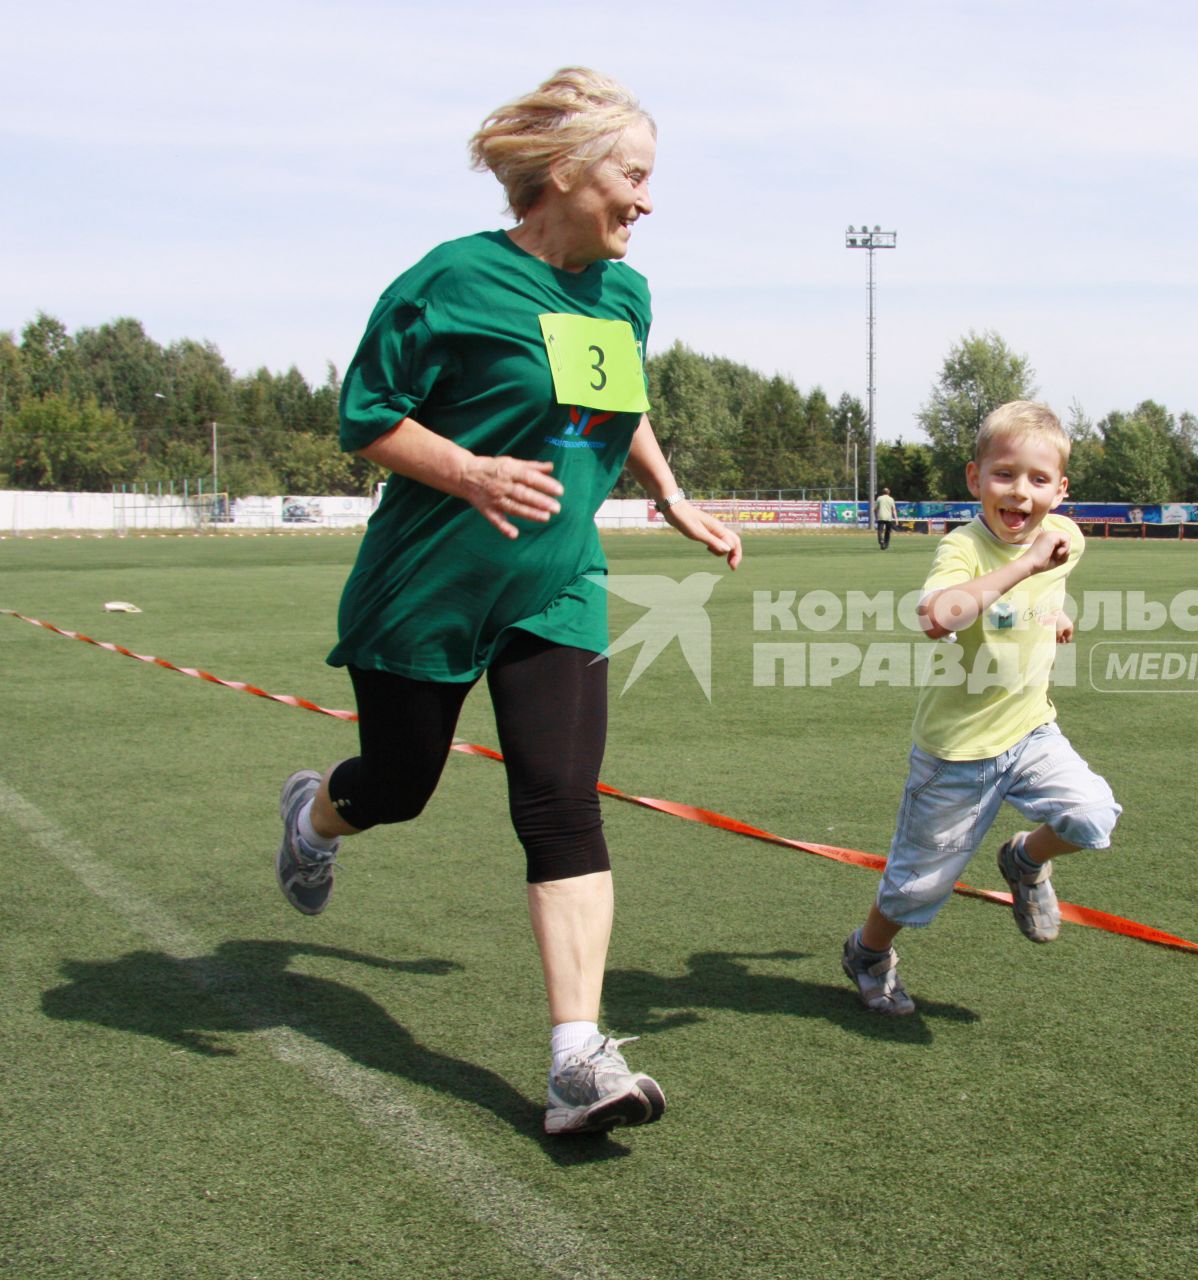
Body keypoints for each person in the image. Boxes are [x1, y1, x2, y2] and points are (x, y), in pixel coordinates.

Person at [273, 67, 743, 1135]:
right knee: (401, 781)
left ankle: (577, 1058)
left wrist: (668, 495)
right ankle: (314, 814)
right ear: (565, 173)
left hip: (558, 584)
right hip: (428, 588)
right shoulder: (451, 280)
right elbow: (367, 418)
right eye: (632, 174)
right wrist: (473, 472)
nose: (648, 200)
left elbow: (612, 402)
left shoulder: (626, 293)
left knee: (562, 800)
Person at [841, 401, 1122, 1014]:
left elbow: (1047, 591)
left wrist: (1054, 616)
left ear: (1061, 489)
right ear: (974, 479)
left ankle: (1024, 861)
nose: (1020, 492)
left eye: (1038, 480)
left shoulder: (1065, 538)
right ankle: (868, 952)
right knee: (916, 889)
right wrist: (1022, 568)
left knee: (1093, 816)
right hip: (955, 754)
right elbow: (936, 618)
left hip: (1030, 732)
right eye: (1004, 475)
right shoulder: (962, 548)